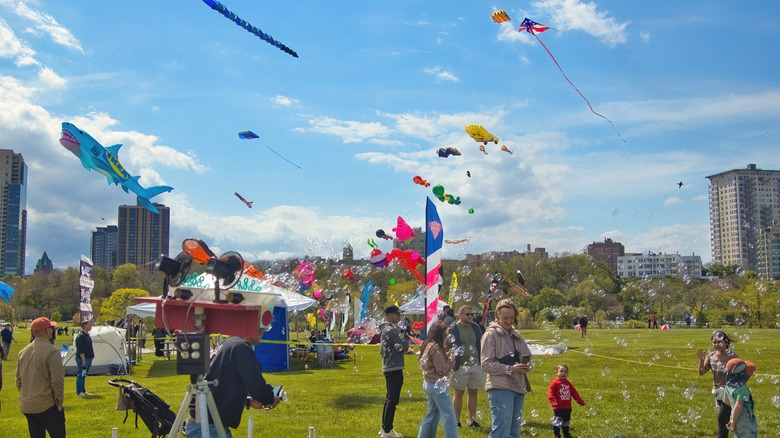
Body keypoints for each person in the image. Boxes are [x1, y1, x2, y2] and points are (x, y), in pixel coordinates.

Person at [184, 326, 281, 437]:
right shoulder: (241, 348)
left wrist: (248, 401)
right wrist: (270, 398)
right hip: (208, 427)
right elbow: (258, 389)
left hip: (207, 424)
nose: (262, 333)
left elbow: (222, 386)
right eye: (260, 329)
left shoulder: (231, 342)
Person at [481, 298, 533, 438]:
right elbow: (486, 364)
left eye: (512, 318)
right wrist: (510, 369)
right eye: (505, 318)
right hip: (500, 387)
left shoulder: (516, 335)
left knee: (514, 432)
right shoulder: (490, 335)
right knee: (501, 432)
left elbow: (528, 355)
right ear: (497, 317)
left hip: (518, 386)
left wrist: (527, 365)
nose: (509, 321)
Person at [16, 317, 66, 438]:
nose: (52, 330)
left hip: (28, 405)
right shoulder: (52, 351)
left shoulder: (23, 352)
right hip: (46, 404)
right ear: (46, 331)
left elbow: (18, 381)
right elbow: (57, 380)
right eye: (51, 328)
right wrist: (59, 402)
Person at [417, 321, 458, 438]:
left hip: (429, 383)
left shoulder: (429, 345)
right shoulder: (435, 348)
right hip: (436, 385)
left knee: (432, 414)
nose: (446, 336)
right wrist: (452, 358)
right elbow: (443, 369)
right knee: (449, 415)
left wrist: (445, 355)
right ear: (440, 334)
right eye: (444, 333)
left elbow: (436, 362)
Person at [697, 330, 739, 438]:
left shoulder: (732, 356)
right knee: (724, 420)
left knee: (722, 419)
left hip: (729, 391)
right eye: (714, 342)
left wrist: (725, 364)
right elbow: (701, 372)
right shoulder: (711, 356)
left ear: (726, 342)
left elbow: (739, 373)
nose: (716, 344)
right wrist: (701, 360)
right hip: (717, 392)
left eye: (719, 342)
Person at [449, 305, 484, 428]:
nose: (471, 316)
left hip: (475, 364)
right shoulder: (454, 328)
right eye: (468, 314)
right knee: (458, 393)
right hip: (460, 365)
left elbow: (480, 343)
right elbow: (449, 344)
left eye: (472, 314)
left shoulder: (476, 327)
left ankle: (472, 421)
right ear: (461, 315)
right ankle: (456, 421)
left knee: (473, 392)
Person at [379, 305, 409, 438]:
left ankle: (385, 427)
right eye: (397, 314)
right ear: (389, 315)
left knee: (389, 398)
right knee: (392, 399)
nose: (399, 316)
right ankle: (387, 430)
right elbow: (404, 346)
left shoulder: (388, 329)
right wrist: (405, 336)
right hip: (393, 367)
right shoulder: (390, 330)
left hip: (391, 367)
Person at [547, 364, 585, 438]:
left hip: (567, 407)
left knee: (566, 422)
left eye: (565, 372)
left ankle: (566, 434)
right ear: (556, 372)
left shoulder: (568, 384)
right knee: (557, 422)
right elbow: (551, 391)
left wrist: (580, 401)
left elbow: (574, 393)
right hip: (558, 407)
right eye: (561, 371)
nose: (563, 373)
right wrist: (551, 399)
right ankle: (557, 434)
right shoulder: (555, 383)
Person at [724, 358, 757, 438]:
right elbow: (738, 405)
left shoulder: (728, 386)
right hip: (746, 421)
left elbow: (726, 401)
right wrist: (734, 421)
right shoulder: (742, 389)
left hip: (734, 418)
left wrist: (732, 420)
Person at [75, 320, 94, 397]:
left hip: (88, 358)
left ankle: (83, 390)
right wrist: (83, 360)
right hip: (82, 359)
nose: (90, 326)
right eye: (89, 324)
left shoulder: (87, 335)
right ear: (85, 326)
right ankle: (79, 392)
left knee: (84, 375)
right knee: (81, 375)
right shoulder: (80, 336)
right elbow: (80, 349)